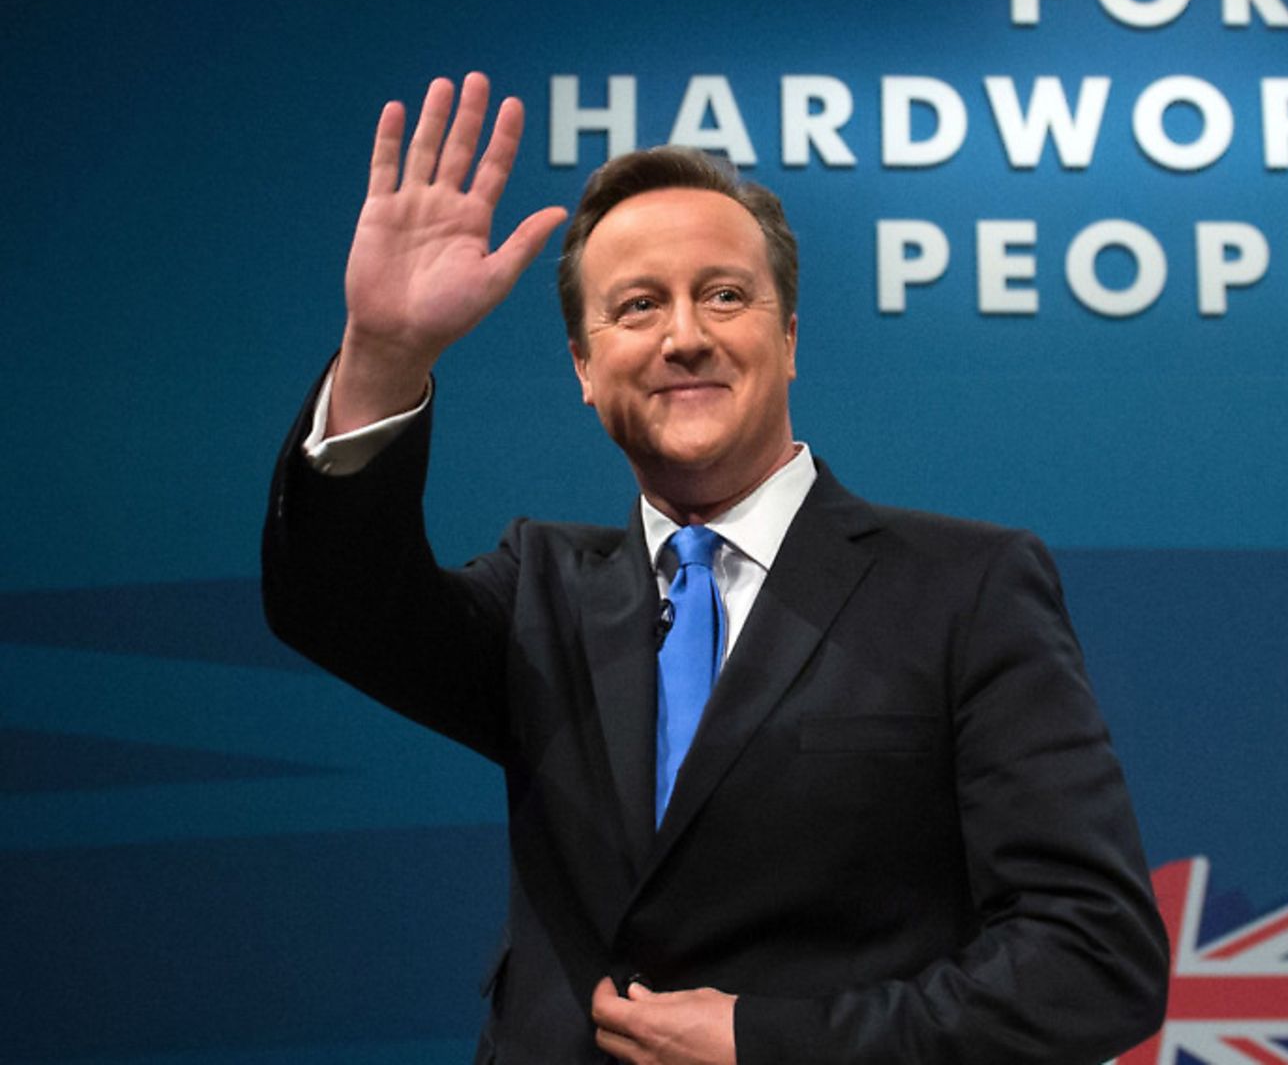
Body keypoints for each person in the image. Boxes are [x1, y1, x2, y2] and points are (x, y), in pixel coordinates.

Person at [262, 72, 1168, 1065]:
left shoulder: (965, 588)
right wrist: (383, 357)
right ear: (583, 364)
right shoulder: (542, 591)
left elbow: (1093, 959)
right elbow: (334, 605)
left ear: (786, 340)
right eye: (639, 305)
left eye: (723, 296)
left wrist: (769, 1041)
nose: (684, 336)